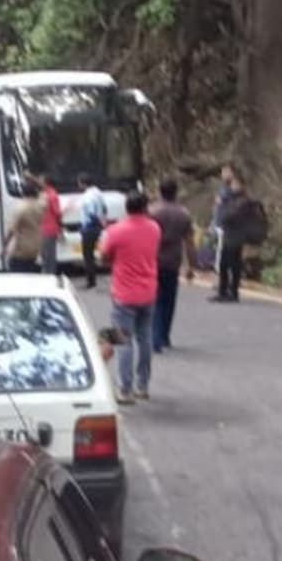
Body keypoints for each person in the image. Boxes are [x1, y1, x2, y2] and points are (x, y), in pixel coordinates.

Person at [99, 190, 161, 404]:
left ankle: (125, 389)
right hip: (148, 291)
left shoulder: (116, 231)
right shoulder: (154, 228)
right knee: (145, 338)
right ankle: (142, 386)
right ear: (145, 207)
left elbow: (104, 256)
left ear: (126, 208)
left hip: (124, 294)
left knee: (124, 341)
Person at [150, 178, 197, 352]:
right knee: (169, 300)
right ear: (176, 192)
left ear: (159, 191)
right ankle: (164, 336)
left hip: (153, 260)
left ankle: (155, 336)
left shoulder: (153, 212)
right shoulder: (183, 214)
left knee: (155, 299)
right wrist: (191, 265)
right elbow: (189, 242)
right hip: (173, 261)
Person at [212, 168, 252, 302]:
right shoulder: (232, 199)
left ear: (242, 185)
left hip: (236, 236)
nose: (233, 186)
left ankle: (233, 292)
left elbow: (230, 215)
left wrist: (222, 205)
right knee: (223, 264)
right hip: (229, 234)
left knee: (234, 264)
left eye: (236, 184)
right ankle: (222, 291)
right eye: (233, 184)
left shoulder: (243, 200)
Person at [4, 181, 45, 272]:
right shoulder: (41, 207)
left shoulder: (21, 208)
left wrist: (5, 246)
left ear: (23, 193)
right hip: (36, 250)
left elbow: (11, 230)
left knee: (17, 273)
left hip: (21, 251)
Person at [78, 173, 107, 289]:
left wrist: (98, 222)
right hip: (96, 228)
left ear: (83, 183)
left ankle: (91, 281)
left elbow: (91, 213)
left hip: (89, 227)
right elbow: (104, 208)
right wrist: (103, 220)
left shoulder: (87, 196)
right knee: (91, 254)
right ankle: (92, 278)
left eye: (79, 183)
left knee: (88, 255)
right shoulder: (98, 193)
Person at [36, 172, 63, 276]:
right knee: (45, 254)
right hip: (43, 228)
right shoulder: (44, 194)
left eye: (41, 180)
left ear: (46, 183)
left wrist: (60, 229)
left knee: (49, 255)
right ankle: (47, 273)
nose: (39, 182)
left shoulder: (52, 195)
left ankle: (50, 274)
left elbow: (57, 213)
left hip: (49, 229)